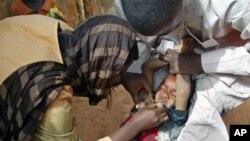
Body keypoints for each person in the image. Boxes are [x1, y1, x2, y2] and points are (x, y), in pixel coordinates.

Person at [0, 15, 167, 141]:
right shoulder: (53, 103)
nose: (115, 81)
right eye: (115, 72)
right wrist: (134, 125)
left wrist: (124, 77)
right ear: (100, 67)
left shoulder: (57, 31)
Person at [119, 0, 250, 140]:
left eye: (173, 94)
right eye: (163, 87)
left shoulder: (233, 5)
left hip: (230, 63)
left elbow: (182, 91)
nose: (164, 94)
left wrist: (197, 62)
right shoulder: (127, 6)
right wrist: (128, 74)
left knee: (200, 123)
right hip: (174, 52)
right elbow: (143, 57)